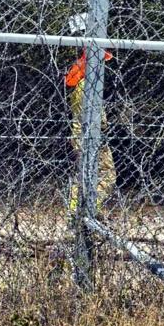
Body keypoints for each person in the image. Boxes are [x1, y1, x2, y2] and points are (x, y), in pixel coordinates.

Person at [65, 22, 117, 214]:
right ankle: (87, 211)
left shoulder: (78, 80)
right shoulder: (87, 85)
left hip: (81, 134)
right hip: (90, 135)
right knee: (107, 175)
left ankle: (78, 213)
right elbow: (99, 120)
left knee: (84, 175)